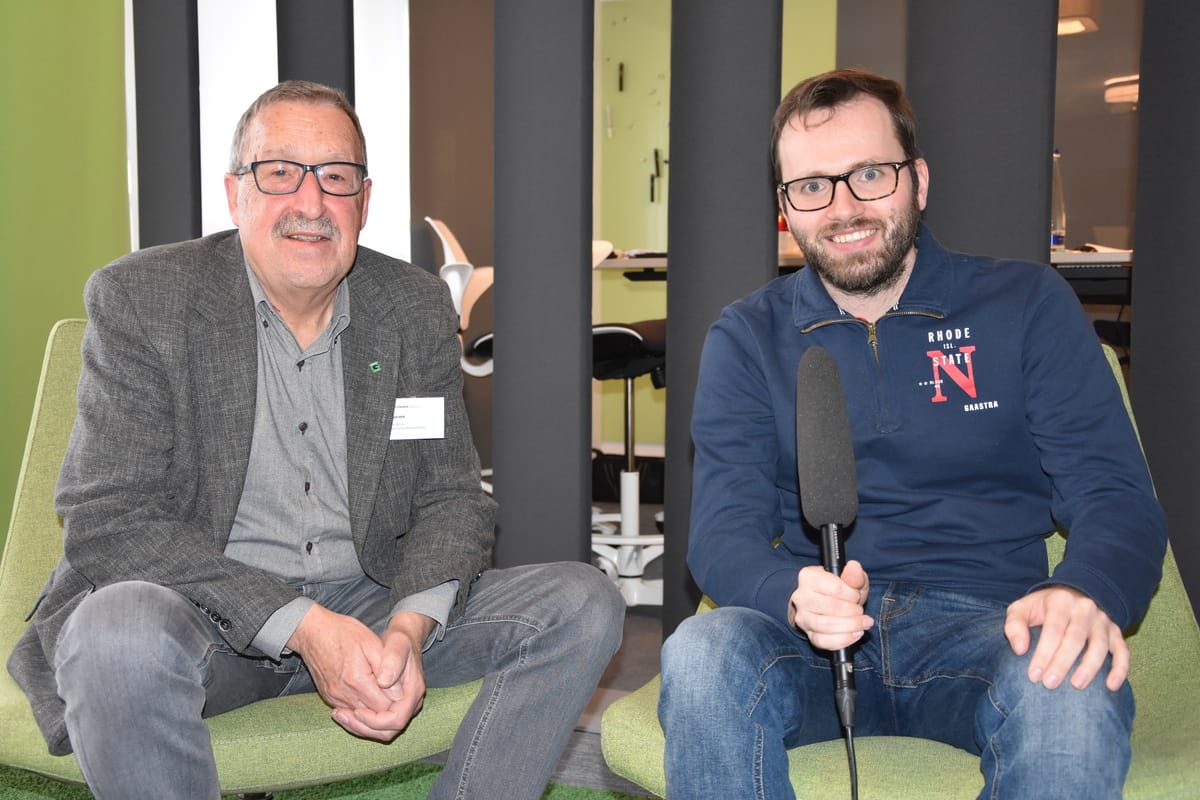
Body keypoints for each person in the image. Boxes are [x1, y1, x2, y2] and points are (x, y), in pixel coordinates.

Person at [7, 80, 624, 800]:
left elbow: (450, 497)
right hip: (202, 611)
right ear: (235, 192)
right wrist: (303, 627)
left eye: (336, 177)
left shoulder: (413, 306)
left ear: (364, 200)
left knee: (581, 603)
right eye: (280, 173)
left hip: (368, 604)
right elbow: (108, 517)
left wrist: (408, 629)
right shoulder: (145, 298)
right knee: (114, 631)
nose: (311, 202)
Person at [658, 68, 1167, 799]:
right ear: (786, 208)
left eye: (870, 174)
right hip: (812, 643)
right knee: (702, 650)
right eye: (812, 186)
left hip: (992, 628)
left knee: (1070, 677)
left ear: (918, 181)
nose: (843, 208)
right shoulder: (747, 336)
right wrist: (792, 594)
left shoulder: (1025, 304)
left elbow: (1113, 492)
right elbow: (720, 530)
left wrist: (1084, 589)